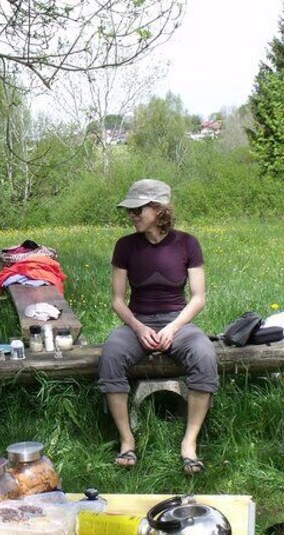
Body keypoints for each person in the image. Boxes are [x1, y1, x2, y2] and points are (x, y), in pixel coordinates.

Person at [98, 179, 218, 475]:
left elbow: (198, 298)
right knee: (111, 353)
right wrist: (138, 328)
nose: (132, 215)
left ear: (159, 209)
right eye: (131, 210)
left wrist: (173, 328)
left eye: (138, 209)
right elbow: (117, 300)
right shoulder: (124, 246)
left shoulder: (188, 243)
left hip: (177, 321)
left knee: (204, 354)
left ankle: (189, 444)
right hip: (138, 322)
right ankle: (127, 441)